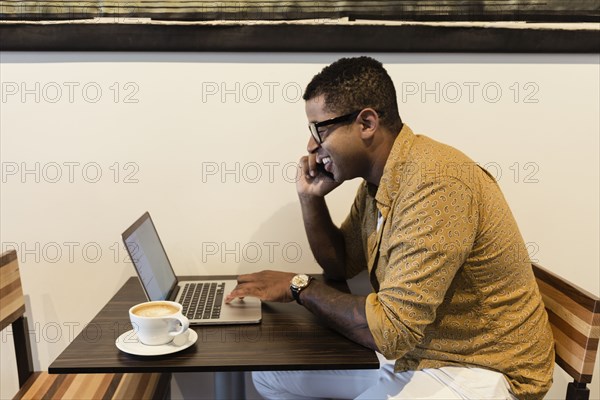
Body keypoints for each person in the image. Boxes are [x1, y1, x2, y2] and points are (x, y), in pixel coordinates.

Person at [225, 56, 554, 399]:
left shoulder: (437, 185)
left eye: (319, 129)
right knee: (271, 376)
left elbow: (392, 331)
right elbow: (341, 263)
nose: (311, 145)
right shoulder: (380, 182)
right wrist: (310, 198)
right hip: (418, 351)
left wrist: (299, 287)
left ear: (366, 122)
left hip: (481, 367)